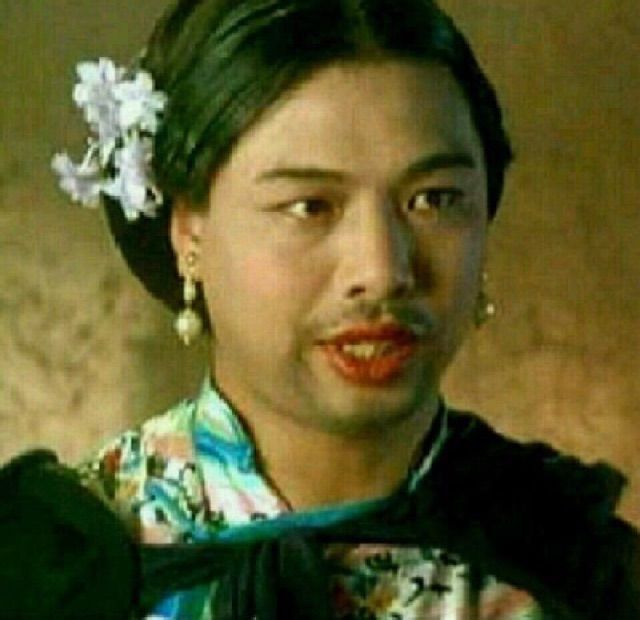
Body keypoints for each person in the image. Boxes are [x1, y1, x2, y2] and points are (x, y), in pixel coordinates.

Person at [1, 0, 638, 619]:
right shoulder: (46, 565)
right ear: (189, 231)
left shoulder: (575, 565)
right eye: (310, 206)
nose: (383, 271)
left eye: (434, 199)